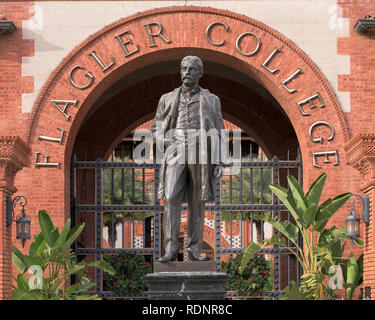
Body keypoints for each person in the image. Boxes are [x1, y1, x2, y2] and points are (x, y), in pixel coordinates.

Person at [152, 56, 227, 262]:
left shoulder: (211, 99)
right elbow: (156, 128)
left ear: (200, 73)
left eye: (192, 69)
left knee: (198, 201)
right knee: (169, 197)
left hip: (201, 150)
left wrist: (220, 161)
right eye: (184, 69)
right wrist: (166, 141)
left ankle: (194, 250)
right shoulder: (166, 99)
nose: (187, 72)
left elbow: (220, 130)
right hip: (175, 148)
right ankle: (170, 250)